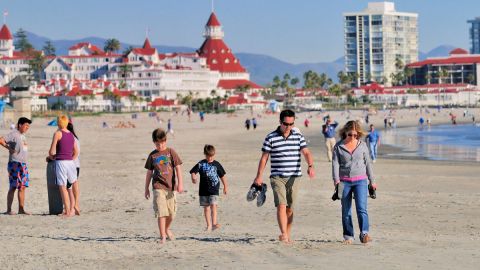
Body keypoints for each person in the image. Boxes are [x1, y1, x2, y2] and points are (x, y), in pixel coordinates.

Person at [252, 109, 315, 243]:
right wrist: (259, 176)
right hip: (277, 177)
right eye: (286, 124)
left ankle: (287, 233)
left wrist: (310, 166)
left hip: (295, 177)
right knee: (281, 205)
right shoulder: (271, 137)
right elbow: (264, 158)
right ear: (280, 122)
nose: (288, 127)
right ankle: (284, 234)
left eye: (291, 124)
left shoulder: (298, 136)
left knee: (289, 209)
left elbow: (307, 152)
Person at [332, 120, 377, 244]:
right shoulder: (338, 146)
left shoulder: (362, 145)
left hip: (361, 181)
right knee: (346, 210)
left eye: (355, 135)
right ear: (345, 132)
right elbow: (335, 164)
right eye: (350, 134)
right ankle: (348, 236)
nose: (352, 137)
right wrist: (336, 181)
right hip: (344, 182)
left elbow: (368, 164)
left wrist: (372, 181)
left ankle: (364, 233)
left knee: (362, 209)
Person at [144, 128, 184, 244]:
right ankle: (163, 237)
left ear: (165, 141)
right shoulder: (152, 156)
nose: (160, 146)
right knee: (162, 212)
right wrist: (146, 188)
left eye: (162, 143)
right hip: (158, 187)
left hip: (171, 187)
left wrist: (180, 184)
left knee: (171, 214)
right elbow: (149, 173)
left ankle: (167, 229)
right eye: (157, 144)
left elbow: (178, 168)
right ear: (154, 142)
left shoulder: (171, 152)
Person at [190, 144, 228, 231]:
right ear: (205, 154)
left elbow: (222, 176)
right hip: (203, 190)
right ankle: (209, 225)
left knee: (214, 206)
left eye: (212, 156)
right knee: (206, 208)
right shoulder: (201, 163)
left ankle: (214, 223)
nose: (210, 158)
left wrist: (225, 186)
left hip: (214, 189)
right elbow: (193, 171)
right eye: (208, 156)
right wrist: (193, 177)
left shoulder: (217, 164)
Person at [48, 115, 79, 217]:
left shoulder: (58, 133)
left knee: (62, 187)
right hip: (71, 163)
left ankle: (67, 212)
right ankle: (74, 207)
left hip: (61, 162)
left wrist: (52, 157)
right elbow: (76, 152)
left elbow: (51, 151)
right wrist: (70, 158)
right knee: (72, 184)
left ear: (58, 123)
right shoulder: (71, 134)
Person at [0, 117, 32, 215]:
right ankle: (9, 210)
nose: (27, 127)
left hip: (23, 164)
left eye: (28, 126)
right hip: (14, 164)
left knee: (22, 187)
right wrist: (8, 147)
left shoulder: (23, 135)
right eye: (26, 125)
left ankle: (21, 209)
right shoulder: (14, 134)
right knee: (13, 187)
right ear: (20, 125)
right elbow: (1, 140)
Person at [67, 122, 81, 214]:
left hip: (71, 164)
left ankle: (71, 207)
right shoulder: (76, 138)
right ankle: (76, 205)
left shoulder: (70, 138)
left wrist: (69, 161)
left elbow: (75, 152)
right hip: (77, 165)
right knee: (74, 184)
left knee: (68, 186)